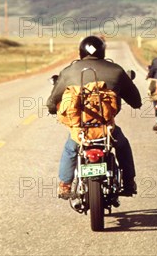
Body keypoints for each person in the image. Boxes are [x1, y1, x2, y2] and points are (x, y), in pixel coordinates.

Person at [47, 36, 142, 200]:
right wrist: (135, 103)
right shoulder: (116, 71)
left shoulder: (69, 71)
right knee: (122, 145)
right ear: (103, 51)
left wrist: (51, 108)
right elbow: (135, 100)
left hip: (80, 129)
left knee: (71, 148)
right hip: (107, 129)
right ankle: (128, 182)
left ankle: (65, 185)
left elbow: (53, 99)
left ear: (81, 52)